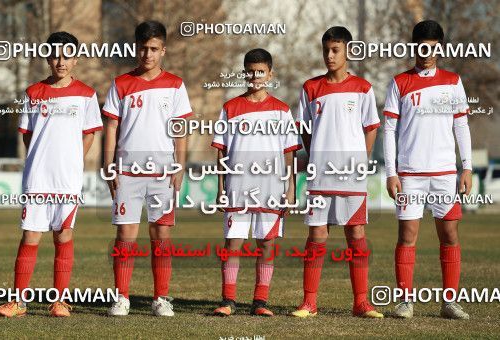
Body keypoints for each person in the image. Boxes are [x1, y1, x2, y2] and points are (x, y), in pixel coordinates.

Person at [0, 31, 102, 317]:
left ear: (75, 59)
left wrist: (70, 161)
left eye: (67, 55)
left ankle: (60, 301)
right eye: (55, 55)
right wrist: (41, 160)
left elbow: (89, 135)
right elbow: (28, 137)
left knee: (63, 237)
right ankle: (18, 302)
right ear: (47, 57)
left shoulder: (87, 95)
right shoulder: (32, 93)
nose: (61, 61)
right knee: (31, 236)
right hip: (37, 180)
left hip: (67, 180)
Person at [291, 26, 383, 318]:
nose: (330, 56)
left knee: (355, 232)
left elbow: (371, 128)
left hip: (351, 175)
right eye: (326, 50)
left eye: (335, 50)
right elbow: (304, 130)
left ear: (348, 52)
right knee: (317, 234)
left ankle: (361, 302)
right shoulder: (310, 88)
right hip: (321, 174)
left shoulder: (363, 88)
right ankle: (309, 302)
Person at [383, 20, 472, 319]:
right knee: (407, 235)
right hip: (410, 174)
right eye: (421, 45)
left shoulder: (453, 81)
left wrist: (467, 167)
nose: (426, 51)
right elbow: (389, 129)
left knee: (449, 234)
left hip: (446, 173)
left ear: (439, 48)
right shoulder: (399, 83)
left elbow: (461, 125)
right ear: (414, 46)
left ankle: (449, 302)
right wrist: (391, 172)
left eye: (432, 46)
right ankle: (405, 301)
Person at [103, 20, 193, 317]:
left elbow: (181, 128)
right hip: (127, 172)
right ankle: (122, 297)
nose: (148, 54)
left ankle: (161, 298)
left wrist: (179, 165)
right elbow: (112, 126)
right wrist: (109, 164)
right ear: (135, 48)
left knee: (161, 235)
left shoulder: (176, 85)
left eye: (154, 49)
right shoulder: (120, 84)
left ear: (163, 50)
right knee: (126, 236)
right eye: (143, 48)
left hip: (162, 173)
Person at [211, 48, 301, 316]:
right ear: (244, 73)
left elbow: (290, 153)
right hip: (237, 188)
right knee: (233, 243)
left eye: (260, 72)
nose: (255, 76)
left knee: (267, 244)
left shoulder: (282, 111)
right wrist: (220, 189)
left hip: (271, 189)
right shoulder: (230, 108)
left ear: (270, 74)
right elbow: (221, 152)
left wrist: (292, 187)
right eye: (250, 72)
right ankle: (228, 300)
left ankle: (260, 301)